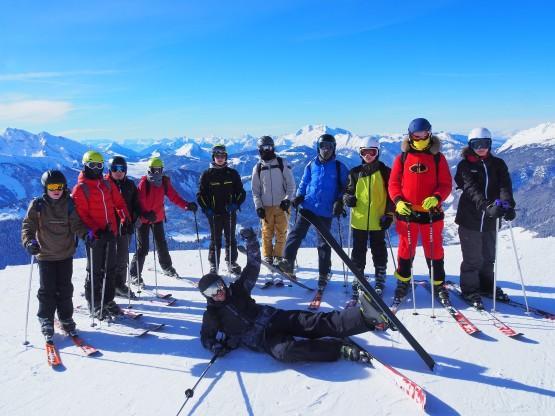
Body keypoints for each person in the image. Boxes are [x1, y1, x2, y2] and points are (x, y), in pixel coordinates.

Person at [199, 227, 387, 363]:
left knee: (315, 323)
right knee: (286, 352)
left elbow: (253, 266)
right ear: (207, 297)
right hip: (262, 339)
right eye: (212, 292)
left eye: (219, 286)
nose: (219, 292)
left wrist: (252, 242)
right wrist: (215, 346)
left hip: (274, 317)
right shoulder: (212, 315)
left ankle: (365, 317)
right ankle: (338, 349)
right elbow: (206, 337)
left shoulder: (238, 290)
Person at [388, 118, 453, 305]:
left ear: (430, 134)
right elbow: (393, 184)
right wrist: (398, 201)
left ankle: (438, 284)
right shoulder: (402, 158)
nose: (420, 138)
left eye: (424, 134)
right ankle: (403, 282)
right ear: (410, 136)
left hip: (431, 213)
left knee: (434, 250)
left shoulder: (438, 157)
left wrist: (437, 197)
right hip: (407, 213)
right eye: (417, 135)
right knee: (405, 249)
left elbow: (446, 184)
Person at [21, 170, 88, 339]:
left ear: (64, 187)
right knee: (47, 290)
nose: (56, 190)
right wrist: (29, 242)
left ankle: (66, 318)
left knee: (65, 289)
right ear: (45, 188)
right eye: (52, 186)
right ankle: (46, 319)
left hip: (65, 254)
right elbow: (28, 226)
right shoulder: (38, 205)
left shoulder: (69, 204)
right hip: (45, 255)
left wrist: (86, 235)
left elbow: (76, 225)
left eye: (60, 186)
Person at [277, 134, 349, 290]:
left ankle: (324, 273)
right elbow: (304, 183)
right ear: (318, 147)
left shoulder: (339, 167)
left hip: (325, 210)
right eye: (323, 146)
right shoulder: (311, 165)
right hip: (308, 207)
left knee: (323, 243)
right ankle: (288, 262)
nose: (326, 150)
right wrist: (299, 197)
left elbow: (346, 187)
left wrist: (339, 201)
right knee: (295, 234)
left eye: (329, 146)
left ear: (334, 148)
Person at [455, 127, 516, 309]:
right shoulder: (465, 166)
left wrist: (508, 205)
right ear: (470, 145)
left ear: (489, 144)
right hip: (470, 219)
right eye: (476, 144)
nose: (481, 148)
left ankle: (487, 286)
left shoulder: (498, 164)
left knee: (488, 257)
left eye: (485, 144)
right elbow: (471, 190)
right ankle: (470, 290)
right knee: (473, 259)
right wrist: (487, 206)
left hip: (491, 220)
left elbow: (505, 185)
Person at [72, 151, 130, 318]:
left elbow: (119, 202)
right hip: (95, 237)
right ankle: (94, 303)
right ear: (85, 165)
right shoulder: (80, 189)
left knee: (110, 269)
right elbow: (82, 215)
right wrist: (96, 231)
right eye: (92, 165)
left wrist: (125, 219)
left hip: (110, 233)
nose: (96, 169)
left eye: (99, 165)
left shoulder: (106, 184)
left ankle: (108, 300)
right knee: (95, 270)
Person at [130, 156, 198, 284]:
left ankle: (167, 267)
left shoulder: (165, 183)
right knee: (143, 248)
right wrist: (145, 215)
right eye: (154, 170)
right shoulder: (144, 184)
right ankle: (134, 274)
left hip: (157, 218)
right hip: (143, 220)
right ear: (149, 170)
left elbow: (174, 197)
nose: (157, 173)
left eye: (159, 170)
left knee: (161, 243)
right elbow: (138, 204)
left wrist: (187, 205)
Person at [343, 137, 394, 298]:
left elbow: (392, 196)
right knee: (358, 251)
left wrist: (389, 214)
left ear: (377, 153)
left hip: (378, 219)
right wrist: (347, 199)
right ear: (360, 153)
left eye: (372, 152)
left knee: (379, 248)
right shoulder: (355, 172)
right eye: (364, 152)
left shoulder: (385, 172)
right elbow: (348, 192)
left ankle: (380, 275)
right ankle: (358, 275)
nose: (368, 155)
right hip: (359, 220)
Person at [251, 135, 296, 283]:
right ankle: (268, 259)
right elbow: (255, 191)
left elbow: (291, 186)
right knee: (266, 233)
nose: (267, 150)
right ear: (259, 150)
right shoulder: (257, 168)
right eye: (264, 148)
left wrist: (287, 200)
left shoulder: (282, 163)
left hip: (281, 206)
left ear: (273, 148)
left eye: (269, 147)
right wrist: (258, 206)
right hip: (266, 207)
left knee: (281, 233)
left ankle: (278, 258)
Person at [197, 144, 246, 275]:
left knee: (231, 238)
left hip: (230, 212)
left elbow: (241, 192)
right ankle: (214, 265)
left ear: (226, 157)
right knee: (215, 239)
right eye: (217, 156)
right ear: (213, 157)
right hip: (214, 214)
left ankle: (231, 262)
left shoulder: (232, 174)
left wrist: (236, 204)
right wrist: (206, 209)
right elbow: (200, 195)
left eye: (222, 156)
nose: (220, 158)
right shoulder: (207, 175)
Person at [105, 156, 141, 298]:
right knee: (107, 258)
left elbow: (136, 204)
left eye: (122, 169)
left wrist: (134, 220)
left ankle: (119, 284)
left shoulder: (130, 185)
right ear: (110, 170)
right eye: (115, 169)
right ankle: (105, 285)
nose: (119, 172)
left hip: (126, 227)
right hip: (109, 228)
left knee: (122, 257)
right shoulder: (104, 185)